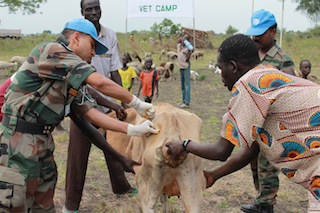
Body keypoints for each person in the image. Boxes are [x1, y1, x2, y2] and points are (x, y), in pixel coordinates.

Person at [0, 17, 158, 213]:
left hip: (42, 143)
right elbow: (100, 83)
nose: (93, 53)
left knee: (43, 206)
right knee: (14, 205)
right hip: (18, 143)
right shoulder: (51, 50)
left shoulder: (68, 75)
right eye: (92, 46)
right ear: (76, 38)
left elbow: (90, 113)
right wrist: (136, 102)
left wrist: (132, 129)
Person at [166, 34, 320, 213]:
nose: (221, 75)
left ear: (233, 66)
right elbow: (252, 149)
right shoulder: (265, 75)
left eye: (221, 68)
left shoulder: (248, 86)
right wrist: (214, 175)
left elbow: (221, 150)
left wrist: (184, 145)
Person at [64, 0, 139, 212]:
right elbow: (90, 82)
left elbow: (114, 70)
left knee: (113, 144)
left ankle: (121, 187)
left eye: (97, 8)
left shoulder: (110, 35)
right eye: (89, 9)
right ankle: (71, 205)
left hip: (104, 97)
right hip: (80, 98)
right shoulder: (75, 37)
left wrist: (122, 100)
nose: (94, 12)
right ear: (82, 12)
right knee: (78, 154)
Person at [241, 9, 296, 213]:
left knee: (267, 164)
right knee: (253, 162)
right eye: (254, 33)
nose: (255, 37)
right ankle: (261, 197)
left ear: (273, 32)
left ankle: (266, 205)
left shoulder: (283, 60)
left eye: (261, 33)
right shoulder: (251, 55)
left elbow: (289, 96)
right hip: (253, 119)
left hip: (273, 122)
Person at [177, 34, 193, 108]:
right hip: (180, 67)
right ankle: (183, 100)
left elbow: (192, 49)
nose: (184, 39)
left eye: (186, 39)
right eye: (184, 38)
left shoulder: (188, 48)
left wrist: (188, 56)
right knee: (182, 85)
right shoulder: (179, 46)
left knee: (187, 85)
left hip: (186, 67)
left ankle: (187, 102)